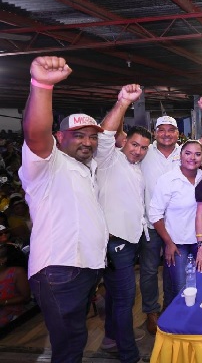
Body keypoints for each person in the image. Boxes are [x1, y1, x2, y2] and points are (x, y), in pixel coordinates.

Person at [19, 56, 107, 361]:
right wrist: (42, 86)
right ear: (59, 138)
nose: (87, 142)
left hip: (82, 270)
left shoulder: (85, 168)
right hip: (59, 270)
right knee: (68, 346)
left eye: (92, 137)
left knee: (73, 341)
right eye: (79, 135)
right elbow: (35, 135)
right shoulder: (48, 164)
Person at [139, 97, 202, 334]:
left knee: (182, 282)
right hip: (162, 229)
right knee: (159, 274)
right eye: (161, 130)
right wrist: (169, 242)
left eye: (171, 130)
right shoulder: (146, 152)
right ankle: (167, 320)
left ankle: (174, 318)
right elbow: (155, 211)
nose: (166, 134)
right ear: (154, 133)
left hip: (196, 239)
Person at [96, 84, 151, 360]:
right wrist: (123, 102)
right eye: (134, 145)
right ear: (124, 141)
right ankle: (128, 353)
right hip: (115, 242)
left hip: (130, 240)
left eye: (143, 148)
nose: (138, 151)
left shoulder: (135, 168)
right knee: (126, 299)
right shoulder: (108, 160)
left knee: (118, 297)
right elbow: (105, 134)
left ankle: (110, 339)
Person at [148, 140, 202, 308]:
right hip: (177, 244)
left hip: (199, 243)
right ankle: (173, 327)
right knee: (180, 289)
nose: (192, 158)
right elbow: (155, 214)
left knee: (198, 287)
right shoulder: (168, 180)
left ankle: (192, 325)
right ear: (180, 156)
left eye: (197, 154)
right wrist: (168, 243)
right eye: (188, 153)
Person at [0, 244, 30, 327]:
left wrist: (3, 303)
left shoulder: (16, 272)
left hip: (15, 318)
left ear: (2, 260)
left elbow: (26, 297)